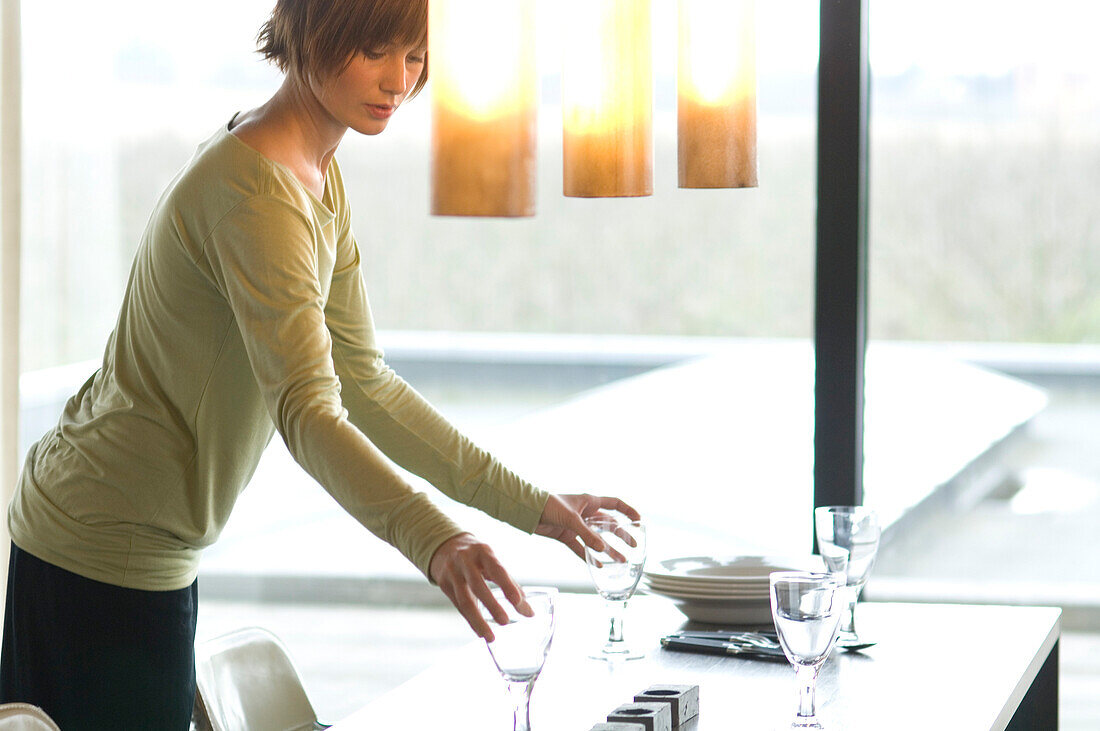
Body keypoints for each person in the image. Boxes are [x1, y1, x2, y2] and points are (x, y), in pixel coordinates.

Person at [0, 0, 640, 727]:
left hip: (146, 542)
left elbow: (366, 384)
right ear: (310, 31)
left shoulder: (316, 176)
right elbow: (308, 410)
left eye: (414, 56)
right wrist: (437, 539)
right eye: (375, 50)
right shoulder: (256, 195)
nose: (399, 81)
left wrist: (536, 506)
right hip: (98, 543)